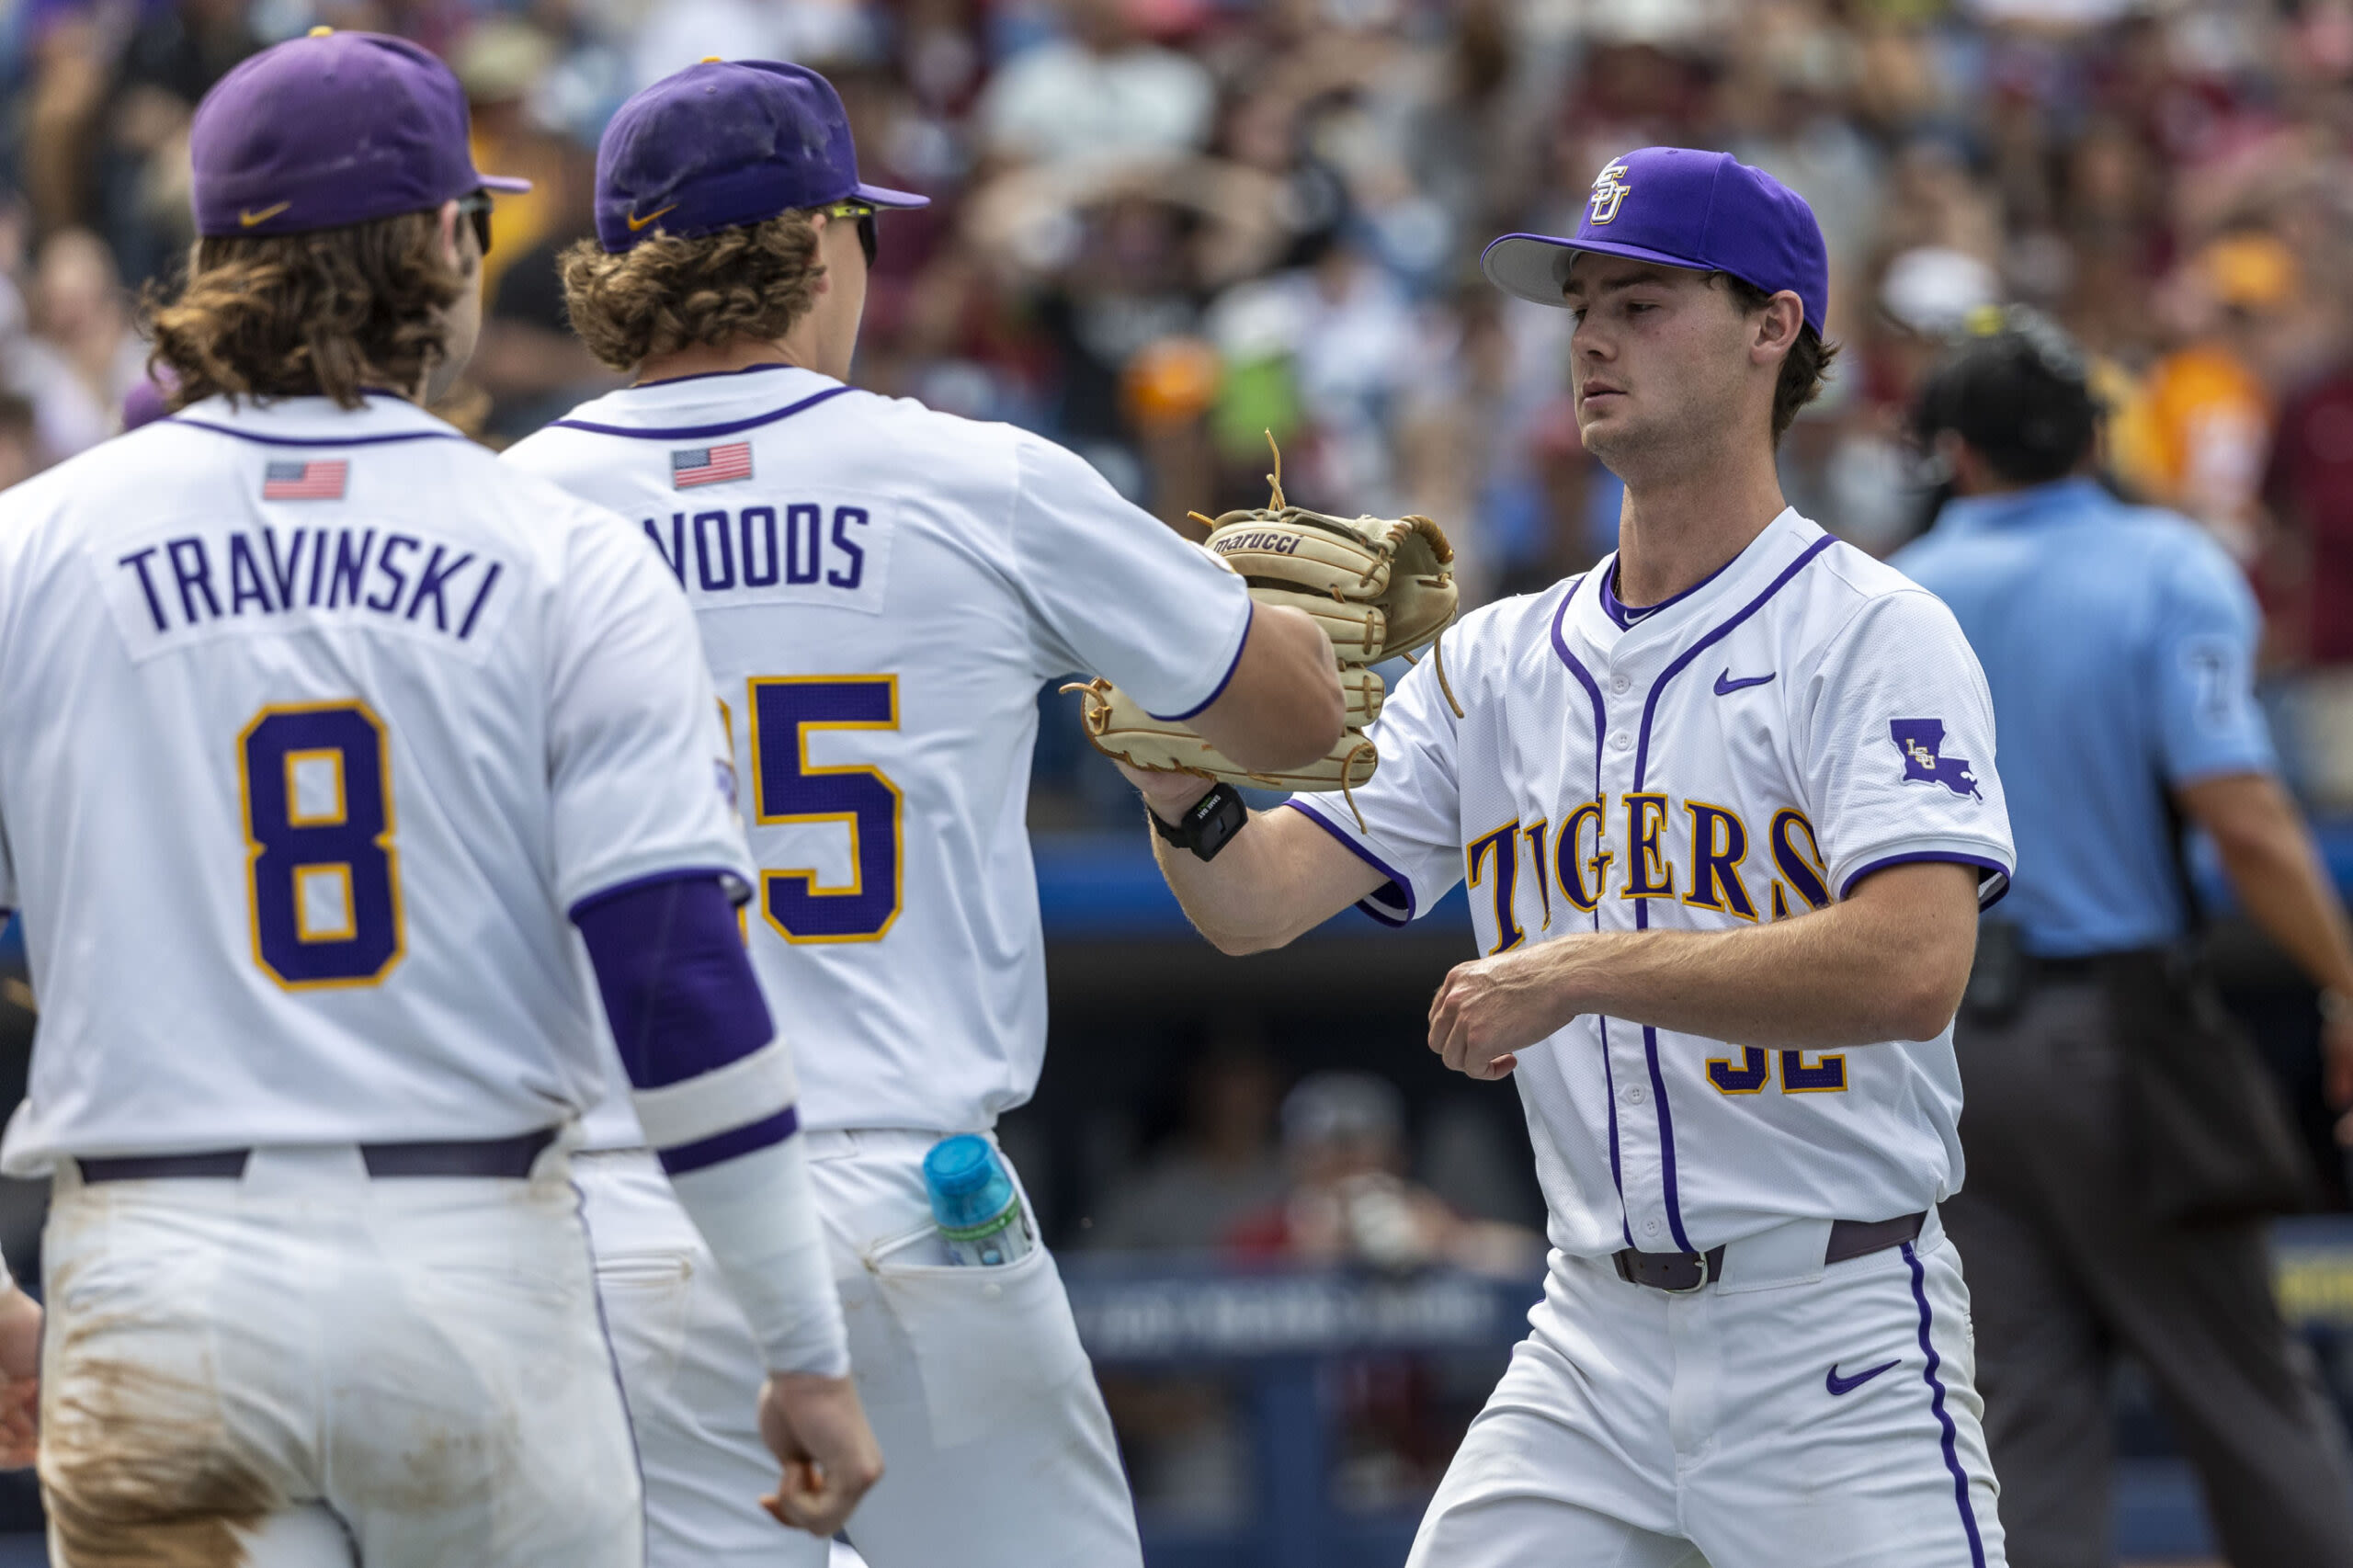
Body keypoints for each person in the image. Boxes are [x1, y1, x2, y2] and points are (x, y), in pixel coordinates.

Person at [0, 30, 879, 1564]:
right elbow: (673, 977)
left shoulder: (34, 546)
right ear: (448, 246)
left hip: (156, 1268)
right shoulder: (556, 548)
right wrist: (798, 1337)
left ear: (216, 258)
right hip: (470, 1271)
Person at [1120, 146, 2019, 1568]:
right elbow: (1253, 904)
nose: (1593, 332)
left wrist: (1586, 969)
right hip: (1588, 1335)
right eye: (1580, 301)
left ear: (1773, 326)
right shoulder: (1495, 658)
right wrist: (1184, 798)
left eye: (1644, 300)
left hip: (1831, 1324)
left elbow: (1915, 964)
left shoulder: (1871, 630)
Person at [501, 58, 1345, 1568]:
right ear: (822, 244)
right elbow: (1296, 715)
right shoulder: (977, 476)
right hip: (915, 1195)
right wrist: (1209, 626)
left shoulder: (503, 510)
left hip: (618, 1214)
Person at [1893, 311, 2353, 1568]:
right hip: (2120, 1039)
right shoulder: (2165, 561)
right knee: (2250, 1401)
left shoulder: (1899, 585)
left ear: (1960, 455)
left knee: (2022, 1429)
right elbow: (2246, 817)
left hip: (1946, 1057)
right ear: (2097, 438)